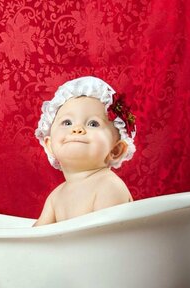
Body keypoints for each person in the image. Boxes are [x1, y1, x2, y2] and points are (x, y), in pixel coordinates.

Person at [33, 76, 137, 226]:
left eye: (93, 123)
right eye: (67, 122)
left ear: (116, 150)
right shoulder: (56, 197)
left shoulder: (108, 186)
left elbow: (107, 241)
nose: (77, 129)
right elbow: (33, 238)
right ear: (49, 145)